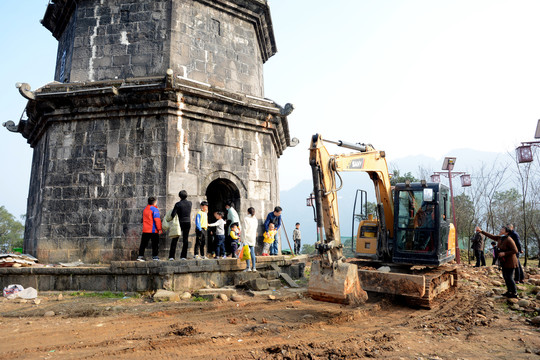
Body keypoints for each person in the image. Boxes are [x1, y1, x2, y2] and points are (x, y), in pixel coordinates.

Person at [477, 226, 519, 298]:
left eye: (502, 230)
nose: (500, 230)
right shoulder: (500, 238)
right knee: (505, 277)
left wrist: (504, 253)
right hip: (504, 261)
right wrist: (481, 231)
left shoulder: (509, 239)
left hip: (510, 261)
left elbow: (515, 250)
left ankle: (514, 292)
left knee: (509, 277)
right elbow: (491, 236)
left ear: (506, 232)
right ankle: (509, 291)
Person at [137, 197, 163, 261]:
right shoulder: (155, 209)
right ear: (155, 202)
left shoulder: (145, 209)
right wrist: (159, 229)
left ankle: (140, 256)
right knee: (155, 244)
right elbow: (157, 220)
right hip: (153, 230)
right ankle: (155, 256)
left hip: (145, 229)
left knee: (143, 244)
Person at [171, 190, 192, 260]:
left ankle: (171, 256)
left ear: (179, 196)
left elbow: (173, 214)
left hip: (180, 222)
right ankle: (183, 256)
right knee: (185, 239)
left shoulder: (178, 204)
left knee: (175, 239)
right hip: (188, 222)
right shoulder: (190, 203)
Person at [243, 207, 258, 271]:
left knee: (247, 252)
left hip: (246, 237)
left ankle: (248, 267)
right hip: (252, 237)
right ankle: (254, 267)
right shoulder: (255, 219)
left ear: (248, 212)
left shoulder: (246, 219)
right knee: (252, 252)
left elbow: (244, 229)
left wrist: (242, 238)